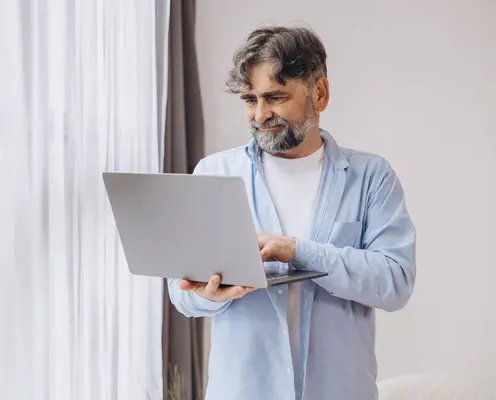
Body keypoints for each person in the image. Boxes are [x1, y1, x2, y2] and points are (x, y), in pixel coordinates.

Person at [167, 26, 416, 400]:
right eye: (250, 99)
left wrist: (297, 250)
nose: (260, 114)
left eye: (275, 97)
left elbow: (395, 283)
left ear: (320, 92)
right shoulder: (213, 173)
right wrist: (210, 295)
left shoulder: (371, 178)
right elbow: (181, 295)